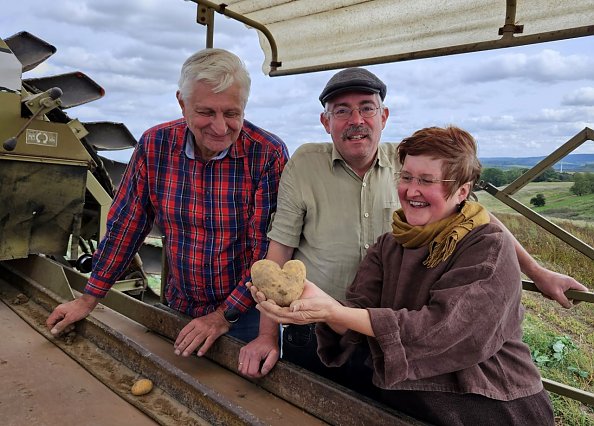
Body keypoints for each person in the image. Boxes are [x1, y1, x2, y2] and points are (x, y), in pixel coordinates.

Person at [238, 67, 588, 379]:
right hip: (317, 329)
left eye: (366, 108)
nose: (355, 119)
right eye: (341, 111)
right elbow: (280, 246)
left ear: (384, 116)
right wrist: (267, 335)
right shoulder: (304, 164)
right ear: (325, 122)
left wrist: (538, 272)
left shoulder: (409, 165)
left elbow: (476, 218)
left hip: (395, 338)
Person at [252, 125, 555, 425]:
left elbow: (447, 330)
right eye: (407, 177)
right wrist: (322, 306)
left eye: (427, 180)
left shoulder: (487, 245)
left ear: (462, 191)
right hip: (402, 405)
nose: (411, 191)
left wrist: (337, 312)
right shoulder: (389, 246)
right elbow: (357, 326)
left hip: (485, 406)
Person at [46, 48, 289, 358]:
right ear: (182, 103)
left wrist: (222, 316)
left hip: (245, 316)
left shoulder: (267, 154)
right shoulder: (155, 146)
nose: (219, 127)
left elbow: (266, 254)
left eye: (231, 113)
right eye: (206, 112)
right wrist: (88, 299)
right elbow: (127, 226)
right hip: (179, 306)